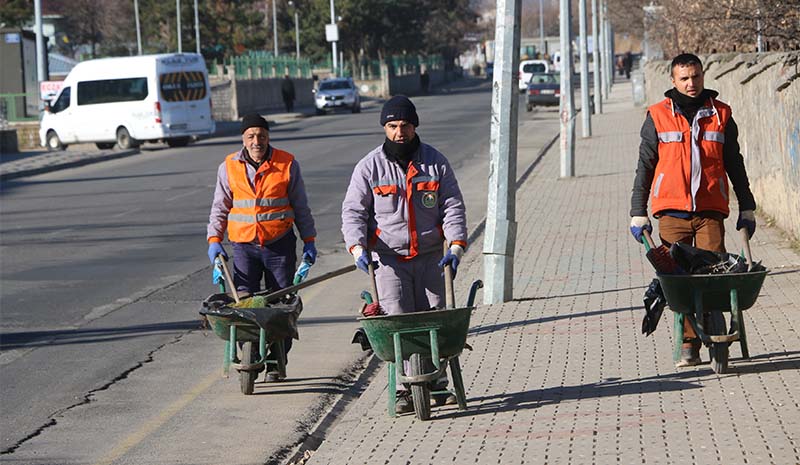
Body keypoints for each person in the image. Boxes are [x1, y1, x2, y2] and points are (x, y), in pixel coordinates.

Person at [341, 95, 467, 412]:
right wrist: (357, 249)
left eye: (405, 125)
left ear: (415, 126)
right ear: (385, 127)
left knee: (434, 317)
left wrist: (455, 246)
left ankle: (436, 382)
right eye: (393, 126)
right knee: (398, 322)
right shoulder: (369, 167)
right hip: (388, 261)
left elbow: (452, 206)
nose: (400, 132)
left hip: (430, 258)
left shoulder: (435, 163)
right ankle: (404, 389)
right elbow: (353, 213)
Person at [629, 53, 756, 367]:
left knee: (714, 277)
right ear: (672, 80)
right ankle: (689, 344)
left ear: (703, 76)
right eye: (684, 78)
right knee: (682, 282)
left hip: (710, 211)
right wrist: (638, 211)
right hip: (671, 213)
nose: (690, 83)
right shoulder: (657, 115)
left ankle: (717, 336)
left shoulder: (720, 113)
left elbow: (735, 164)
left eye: (695, 76)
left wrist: (748, 207)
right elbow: (645, 166)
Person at [207, 113, 317, 381]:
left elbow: (300, 206)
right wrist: (214, 240)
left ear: (268, 137)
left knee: (280, 305)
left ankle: (277, 362)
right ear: (243, 139)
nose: (257, 141)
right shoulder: (229, 166)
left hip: (279, 245)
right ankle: (252, 353)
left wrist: (310, 241)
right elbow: (220, 207)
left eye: (262, 135)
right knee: (244, 302)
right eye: (251, 136)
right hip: (244, 246)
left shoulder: (286, 163)